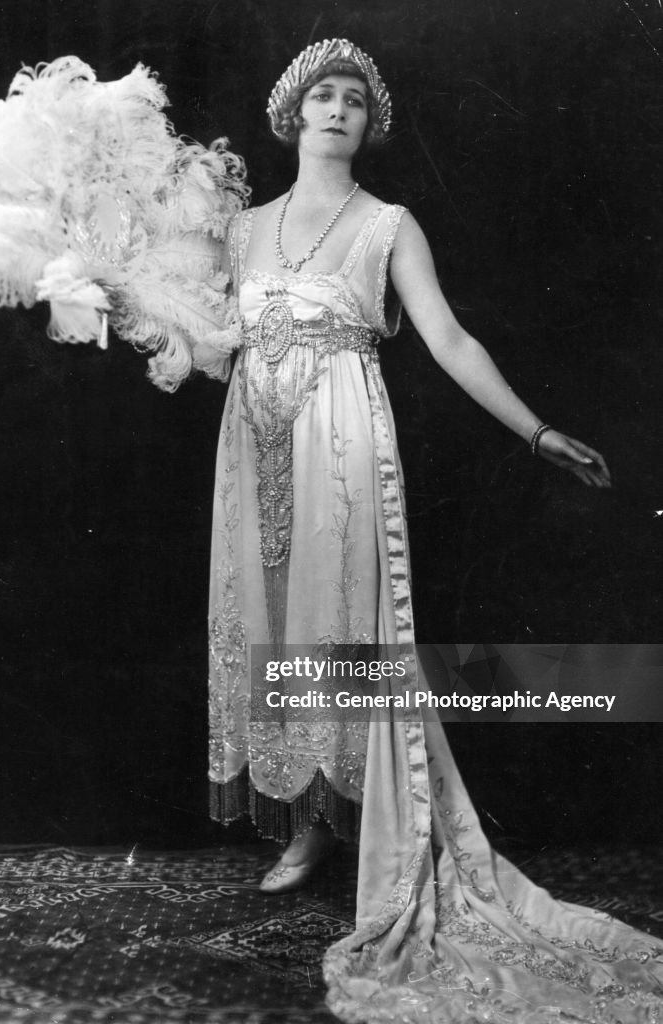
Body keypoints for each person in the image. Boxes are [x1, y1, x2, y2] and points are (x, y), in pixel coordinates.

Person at [208, 38, 662, 1023]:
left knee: (344, 621)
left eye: (353, 101)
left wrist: (533, 429)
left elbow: (450, 338)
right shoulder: (240, 229)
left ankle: (360, 824)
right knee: (266, 616)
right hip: (250, 440)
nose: (335, 111)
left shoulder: (387, 225)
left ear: (370, 124)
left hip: (340, 432)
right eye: (320, 95)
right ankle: (301, 821)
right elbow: (202, 337)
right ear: (290, 113)